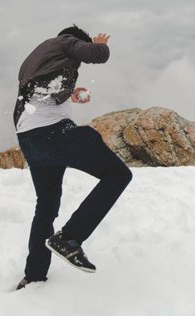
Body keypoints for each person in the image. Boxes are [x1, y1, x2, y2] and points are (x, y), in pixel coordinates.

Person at [13, 25, 132, 290]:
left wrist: (70, 93)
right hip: (52, 133)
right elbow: (95, 54)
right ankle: (69, 238)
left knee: (46, 208)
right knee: (118, 174)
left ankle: (34, 275)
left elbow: (41, 94)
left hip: (30, 139)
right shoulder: (65, 41)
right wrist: (100, 45)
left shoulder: (37, 60)